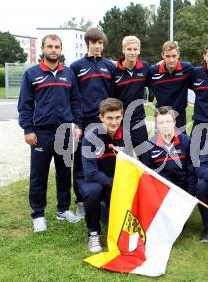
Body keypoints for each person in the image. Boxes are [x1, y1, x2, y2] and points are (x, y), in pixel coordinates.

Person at [18, 34, 82, 232]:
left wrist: (78, 125)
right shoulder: (32, 74)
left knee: (64, 173)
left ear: (61, 50)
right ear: (43, 49)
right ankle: (38, 214)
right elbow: (25, 104)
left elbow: (76, 102)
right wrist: (28, 129)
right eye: (50, 46)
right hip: (41, 133)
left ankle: (63, 210)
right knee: (39, 175)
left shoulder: (69, 74)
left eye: (57, 47)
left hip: (64, 132)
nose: (53, 50)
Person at [70, 28, 115, 219]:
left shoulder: (109, 66)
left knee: (106, 158)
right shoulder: (76, 66)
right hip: (85, 121)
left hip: (105, 121)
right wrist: (77, 123)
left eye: (100, 43)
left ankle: (106, 197)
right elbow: (74, 97)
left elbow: (113, 95)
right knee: (82, 162)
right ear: (88, 43)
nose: (97, 47)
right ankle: (81, 201)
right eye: (93, 43)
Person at [81, 98, 125, 253]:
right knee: (92, 192)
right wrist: (114, 184)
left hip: (117, 180)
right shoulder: (89, 137)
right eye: (109, 118)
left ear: (122, 115)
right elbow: (90, 172)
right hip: (96, 180)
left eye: (117, 117)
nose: (114, 122)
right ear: (101, 117)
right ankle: (93, 233)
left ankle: (112, 217)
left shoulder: (126, 135)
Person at [113, 35, 151, 163]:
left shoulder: (145, 67)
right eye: (129, 49)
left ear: (139, 50)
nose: (132, 52)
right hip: (120, 123)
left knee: (146, 159)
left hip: (138, 121)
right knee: (124, 161)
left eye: (135, 49)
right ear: (123, 50)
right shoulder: (114, 70)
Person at [143, 106, 196, 195]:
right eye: (161, 123)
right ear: (156, 125)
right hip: (161, 190)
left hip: (183, 190)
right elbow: (148, 175)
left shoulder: (187, 142)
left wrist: (190, 194)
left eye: (168, 121)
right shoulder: (148, 146)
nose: (165, 125)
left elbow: (191, 172)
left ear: (174, 122)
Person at [149, 41, 194, 131]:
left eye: (174, 56)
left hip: (179, 117)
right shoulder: (153, 71)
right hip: (161, 116)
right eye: (168, 56)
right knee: (159, 144)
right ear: (162, 55)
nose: (171, 60)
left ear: (178, 55)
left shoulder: (187, 69)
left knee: (181, 144)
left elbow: (204, 74)